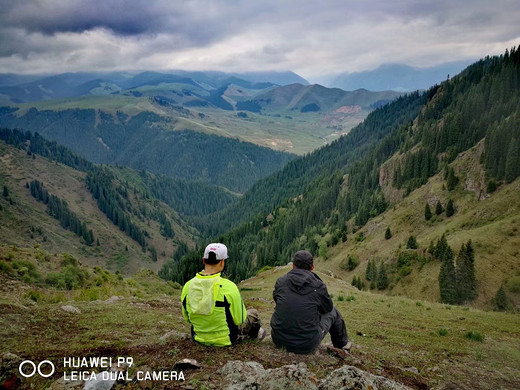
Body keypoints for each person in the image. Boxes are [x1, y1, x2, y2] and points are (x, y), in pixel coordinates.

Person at [181, 243, 266, 346]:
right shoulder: (229, 287)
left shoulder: (187, 286)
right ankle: (255, 334)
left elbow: (187, 318)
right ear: (222, 262)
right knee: (252, 313)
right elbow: (240, 319)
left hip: (198, 337)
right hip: (226, 340)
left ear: (204, 260)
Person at [270, 250, 351, 354]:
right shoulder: (318, 286)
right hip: (306, 345)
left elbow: (277, 299)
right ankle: (341, 346)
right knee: (333, 312)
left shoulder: (281, 281)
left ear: (293, 266)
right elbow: (327, 308)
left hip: (278, 339)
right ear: (312, 267)